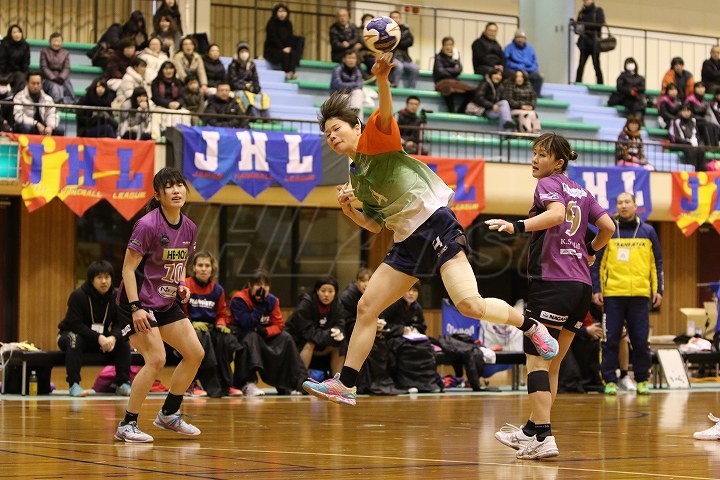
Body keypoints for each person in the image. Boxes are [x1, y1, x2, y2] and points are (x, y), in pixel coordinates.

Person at [303, 53, 561, 407]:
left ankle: (530, 326)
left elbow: (387, 112)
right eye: (327, 134)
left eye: (337, 128)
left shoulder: (376, 140)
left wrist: (382, 78)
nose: (332, 136)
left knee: (469, 305)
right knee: (366, 307)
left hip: (435, 224)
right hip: (406, 242)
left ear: (356, 127)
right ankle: (346, 384)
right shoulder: (356, 178)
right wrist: (351, 210)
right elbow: (376, 225)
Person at [488, 133, 615, 459]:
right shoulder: (583, 191)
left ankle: (544, 436)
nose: (535, 159)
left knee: (536, 361)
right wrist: (590, 250)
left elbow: (557, 215)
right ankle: (532, 429)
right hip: (581, 287)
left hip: (552, 284)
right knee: (553, 363)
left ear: (558, 163)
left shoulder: (548, 184)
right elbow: (609, 227)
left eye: (542, 155)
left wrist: (516, 226)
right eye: (534, 153)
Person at [114, 167, 203, 443]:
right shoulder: (147, 225)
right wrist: (136, 307)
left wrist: (182, 284)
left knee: (195, 353)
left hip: (165, 301)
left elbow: (178, 263)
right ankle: (127, 424)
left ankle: (169, 414)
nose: (176, 190)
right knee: (156, 359)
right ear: (157, 195)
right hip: (137, 302)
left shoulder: (189, 227)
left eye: (179, 185)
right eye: (169, 186)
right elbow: (128, 270)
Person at [591, 192, 663, 396]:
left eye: (627, 202)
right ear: (616, 207)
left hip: (640, 295)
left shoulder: (648, 231)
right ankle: (610, 381)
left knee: (640, 341)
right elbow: (597, 263)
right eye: (620, 202)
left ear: (635, 205)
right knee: (610, 340)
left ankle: (642, 380)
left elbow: (657, 263)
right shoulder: (609, 229)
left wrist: (658, 290)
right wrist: (597, 289)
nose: (623, 206)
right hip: (613, 295)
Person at [57, 260, 131, 397]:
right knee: (74, 339)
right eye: (99, 277)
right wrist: (99, 338)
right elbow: (75, 324)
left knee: (123, 340)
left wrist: (113, 337)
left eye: (107, 277)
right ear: (91, 279)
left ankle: (123, 383)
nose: (104, 281)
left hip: (101, 338)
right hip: (71, 334)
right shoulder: (78, 295)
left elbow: (120, 323)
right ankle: (74, 385)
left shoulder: (116, 296)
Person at [229, 270, 307, 396]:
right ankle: (248, 383)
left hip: (264, 336)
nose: (262, 288)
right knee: (251, 336)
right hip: (243, 336)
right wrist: (259, 305)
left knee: (286, 338)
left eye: (265, 285)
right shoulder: (239, 299)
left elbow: (279, 324)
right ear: (250, 285)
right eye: (258, 284)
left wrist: (266, 331)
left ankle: (290, 383)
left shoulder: (272, 300)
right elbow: (246, 324)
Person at [183, 251, 243, 398]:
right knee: (201, 337)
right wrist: (191, 323)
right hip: (190, 329)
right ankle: (191, 384)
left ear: (212, 269)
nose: (203, 269)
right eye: (200, 265)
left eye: (207, 266)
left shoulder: (218, 290)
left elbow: (222, 313)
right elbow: (179, 311)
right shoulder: (185, 285)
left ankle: (226, 384)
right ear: (194, 268)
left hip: (211, 328)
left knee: (227, 340)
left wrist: (221, 324)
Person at [381, 283, 437, 392]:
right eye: (408, 290)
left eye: (414, 291)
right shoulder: (393, 304)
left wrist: (414, 328)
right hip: (393, 338)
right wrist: (401, 329)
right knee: (407, 349)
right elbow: (383, 324)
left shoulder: (417, 307)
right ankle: (407, 384)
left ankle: (426, 384)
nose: (411, 293)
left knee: (426, 348)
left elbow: (422, 326)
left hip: (412, 338)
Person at [286, 276, 347, 377]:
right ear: (317, 291)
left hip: (323, 343)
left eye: (330, 291)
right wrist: (328, 334)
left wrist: (338, 331)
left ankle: (336, 382)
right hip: (300, 343)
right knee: (310, 343)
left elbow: (341, 324)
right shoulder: (306, 303)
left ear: (335, 293)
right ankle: (300, 380)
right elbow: (306, 332)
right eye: (323, 291)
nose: (326, 295)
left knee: (340, 346)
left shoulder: (337, 304)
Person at [433, 36, 476, 113]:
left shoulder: (455, 57)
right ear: (443, 46)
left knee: (473, 91)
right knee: (448, 89)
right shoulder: (438, 57)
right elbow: (440, 71)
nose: (448, 47)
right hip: (442, 82)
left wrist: (447, 70)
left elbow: (459, 69)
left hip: (455, 82)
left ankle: (461, 111)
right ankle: (451, 111)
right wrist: (453, 70)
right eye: (446, 45)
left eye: (450, 45)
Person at [13, 71, 64, 136]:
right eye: (33, 83)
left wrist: (50, 126)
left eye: (38, 83)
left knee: (60, 130)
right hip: (29, 125)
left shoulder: (47, 98)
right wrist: (36, 123)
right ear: (27, 83)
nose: (36, 86)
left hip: (44, 126)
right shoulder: (19, 97)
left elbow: (52, 114)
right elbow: (18, 117)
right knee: (26, 128)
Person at [228, 42, 270, 119]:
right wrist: (246, 87)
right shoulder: (233, 65)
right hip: (238, 89)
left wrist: (256, 87)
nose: (244, 53)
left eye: (246, 51)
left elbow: (255, 78)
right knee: (247, 96)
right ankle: (254, 116)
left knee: (263, 96)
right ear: (238, 53)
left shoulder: (252, 64)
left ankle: (265, 117)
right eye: (242, 51)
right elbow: (233, 81)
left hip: (250, 88)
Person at [151, 60, 191, 138]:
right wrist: (168, 104)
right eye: (166, 69)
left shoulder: (177, 82)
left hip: (176, 106)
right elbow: (156, 97)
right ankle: (164, 137)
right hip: (161, 106)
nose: (169, 71)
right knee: (164, 114)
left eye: (171, 68)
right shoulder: (156, 82)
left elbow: (181, 96)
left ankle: (185, 137)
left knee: (186, 113)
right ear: (162, 70)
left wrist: (178, 103)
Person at [263, 3, 302, 80]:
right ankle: (286, 72)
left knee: (293, 53)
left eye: (284, 11)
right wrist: (282, 48)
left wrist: (289, 47)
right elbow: (273, 38)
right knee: (285, 54)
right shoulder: (271, 23)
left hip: (285, 48)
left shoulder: (288, 23)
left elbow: (290, 37)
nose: (282, 13)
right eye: (280, 11)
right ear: (276, 13)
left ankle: (292, 72)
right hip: (272, 49)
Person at [40, 32, 76, 104]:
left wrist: (61, 78)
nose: (56, 43)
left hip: (62, 77)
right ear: (50, 42)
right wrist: (53, 78)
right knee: (55, 86)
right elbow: (44, 67)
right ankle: (58, 103)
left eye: (58, 41)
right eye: (54, 41)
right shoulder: (44, 51)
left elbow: (67, 67)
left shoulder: (65, 53)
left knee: (67, 85)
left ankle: (69, 103)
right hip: (48, 78)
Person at [574, 0, 605, 84]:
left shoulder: (598, 11)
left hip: (594, 43)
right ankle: (577, 84)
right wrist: (575, 25)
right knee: (581, 66)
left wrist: (584, 26)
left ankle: (600, 85)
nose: (585, 1)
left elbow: (600, 23)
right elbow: (578, 29)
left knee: (596, 66)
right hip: (584, 43)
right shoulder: (581, 13)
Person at [504, 30, 543, 97]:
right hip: (514, 70)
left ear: (525, 39)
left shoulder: (530, 49)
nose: (520, 39)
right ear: (515, 38)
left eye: (522, 38)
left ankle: (535, 96)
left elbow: (535, 63)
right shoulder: (509, 48)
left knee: (538, 77)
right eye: (518, 37)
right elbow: (506, 61)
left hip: (528, 70)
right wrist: (518, 67)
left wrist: (529, 69)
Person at [388, 11, 419, 89]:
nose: (396, 19)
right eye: (393, 17)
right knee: (399, 66)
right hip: (392, 57)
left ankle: (411, 89)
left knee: (415, 68)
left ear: (400, 19)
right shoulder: (387, 30)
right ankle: (395, 85)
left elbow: (410, 42)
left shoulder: (405, 29)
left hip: (405, 58)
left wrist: (397, 41)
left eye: (397, 17)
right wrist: (400, 41)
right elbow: (390, 43)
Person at [669, 104, 705, 170]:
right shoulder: (675, 121)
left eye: (688, 111)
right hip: (678, 144)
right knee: (690, 149)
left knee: (701, 149)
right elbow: (675, 137)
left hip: (691, 143)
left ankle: (700, 171)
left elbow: (696, 134)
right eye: (684, 111)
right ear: (681, 111)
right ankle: (691, 171)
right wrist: (686, 142)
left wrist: (696, 142)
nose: (686, 113)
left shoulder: (693, 121)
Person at [330, 50, 364, 118]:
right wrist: (353, 84)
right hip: (338, 95)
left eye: (353, 58)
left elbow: (360, 85)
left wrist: (348, 86)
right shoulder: (337, 70)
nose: (351, 60)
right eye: (349, 58)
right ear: (344, 59)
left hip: (352, 95)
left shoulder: (357, 70)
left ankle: (355, 115)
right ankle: (348, 118)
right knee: (345, 97)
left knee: (358, 92)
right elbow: (339, 85)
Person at [685, 81, 720, 147]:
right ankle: (709, 146)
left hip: (704, 120)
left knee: (714, 126)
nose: (701, 89)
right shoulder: (690, 100)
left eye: (702, 87)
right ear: (694, 89)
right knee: (707, 126)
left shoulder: (705, 100)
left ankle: (716, 147)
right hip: (694, 121)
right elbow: (688, 112)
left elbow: (709, 113)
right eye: (698, 87)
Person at [0, 25, 31, 93]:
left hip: (20, 73)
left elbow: (26, 64)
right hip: (6, 73)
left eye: (19, 32)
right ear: (10, 34)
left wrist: (27, 76)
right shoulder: (4, 45)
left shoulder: (25, 45)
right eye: (14, 32)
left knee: (22, 77)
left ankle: (18, 97)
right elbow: (2, 63)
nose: (17, 34)